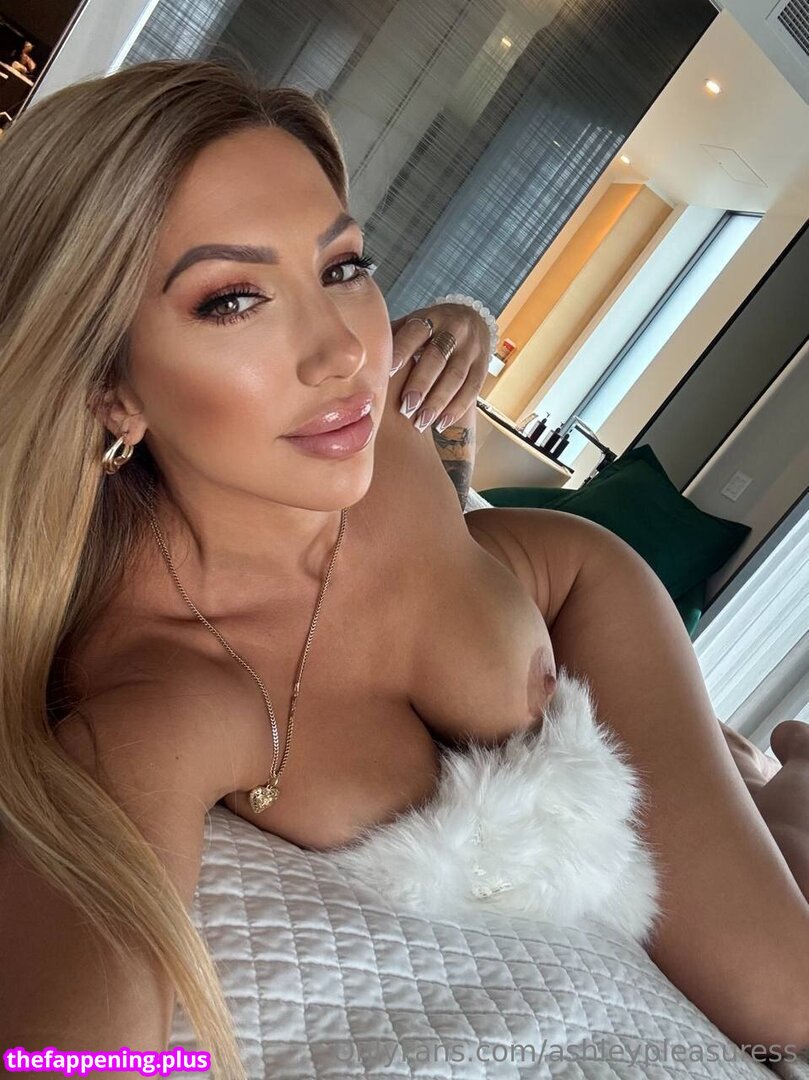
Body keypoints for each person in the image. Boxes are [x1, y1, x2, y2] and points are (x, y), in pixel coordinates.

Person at [0, 58, 807, 1079]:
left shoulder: (372, 416)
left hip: (574, 590)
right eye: (233, 300)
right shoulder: (165, 698)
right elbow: (66, 1057)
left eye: (343, 267)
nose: (345, 354)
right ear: (109, 389)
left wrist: (464, 324)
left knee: (789, 999)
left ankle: (779, 778)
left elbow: (438, 421)